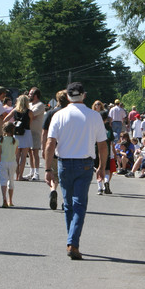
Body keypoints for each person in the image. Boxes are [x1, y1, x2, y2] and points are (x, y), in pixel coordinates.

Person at [44, 82, 107, 260]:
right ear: (84, 96)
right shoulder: (94, 116)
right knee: (79, 205)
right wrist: (101, 166)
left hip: (64, 163)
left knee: (69, 205)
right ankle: (73, 242)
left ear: (68, 96)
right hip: (85, 164)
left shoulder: (59, 115)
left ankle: (71, 240)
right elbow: (102, 145)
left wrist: (48, 168)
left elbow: (50, 144)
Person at [42, 90, 69, 210]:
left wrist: (44, 148)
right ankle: (65, 199)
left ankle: (53, 190)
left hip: (52, 147)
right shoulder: (69, 114)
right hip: (66, 149)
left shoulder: (51, 113)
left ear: (58, 100)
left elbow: (45, 133)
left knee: (53, 173)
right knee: (66, 177)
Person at [4, 94, 33, 181]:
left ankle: (16, 175)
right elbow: (30, 123)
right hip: (26, 132)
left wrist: (12, 125)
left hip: (16, 133)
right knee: (24, 156)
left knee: (16, 156)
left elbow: (5, 119)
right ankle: (20, 176)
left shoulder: (15, 110)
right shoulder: (29, 112)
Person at [0, 121, 17, 207]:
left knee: (3, 180)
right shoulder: (15, 140)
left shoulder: (1, 140)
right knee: (11, 180)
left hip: (3, 161)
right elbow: (16, 152)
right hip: (12, 162)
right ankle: (10, 200)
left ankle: (4, 198)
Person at [27, 87, 45, 181]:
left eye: (30, 94)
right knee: (30, 153)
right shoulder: (29, 104)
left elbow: (31, 115)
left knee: (35, 152)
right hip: (27, 131)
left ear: (36, 95)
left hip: (35, 132)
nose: (29, 95)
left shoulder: (40, 105)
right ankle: (31, 171)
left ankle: (37, 173)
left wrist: (26, 114)